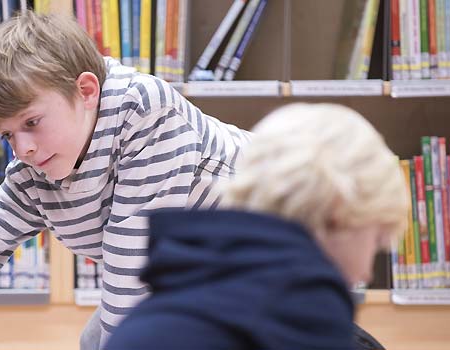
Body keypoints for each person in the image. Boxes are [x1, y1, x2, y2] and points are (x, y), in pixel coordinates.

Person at [0, 10, 251, 349]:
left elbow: (133, 261)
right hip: (192, 267)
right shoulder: (32, 176)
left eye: (31, 123)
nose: (23, 150)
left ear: (86, 90)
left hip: (273, 238)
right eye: (7, 135)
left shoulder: (144, 112)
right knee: (96, 340)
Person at [105, 103, 409, 350]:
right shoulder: (302, 304)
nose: (367, 273)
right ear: (339, 209)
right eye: (376, 241)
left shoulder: (165, 300)